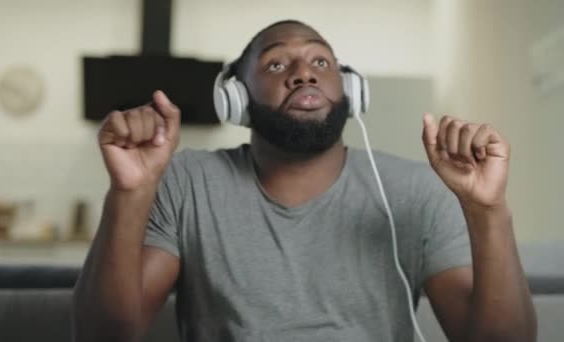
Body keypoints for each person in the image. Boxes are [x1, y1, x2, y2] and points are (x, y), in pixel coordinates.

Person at [72, 20, 537, 342]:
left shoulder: (416, 189)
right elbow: (106, 334)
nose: (303, 74)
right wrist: (129, 193)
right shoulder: (189, 181)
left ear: (351, 91)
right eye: (276, 65)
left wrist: (487, 211)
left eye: (322, 63)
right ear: (235, 99)